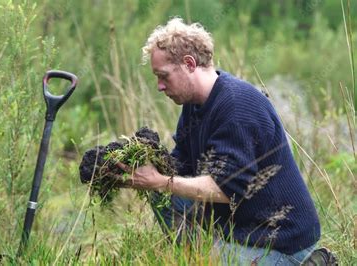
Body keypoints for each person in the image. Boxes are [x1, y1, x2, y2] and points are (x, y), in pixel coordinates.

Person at [116, 17, 333, 265]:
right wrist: (135, 173)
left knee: (166, 194)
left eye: (163, 76)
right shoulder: (194, 106)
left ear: (189, 64)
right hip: (240, 230)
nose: (159, 86)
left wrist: (160, 180)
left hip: (281, 240)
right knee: (162, 195)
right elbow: (181, 165)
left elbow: (224, 189)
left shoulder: (237, 106)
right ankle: (200, 255)